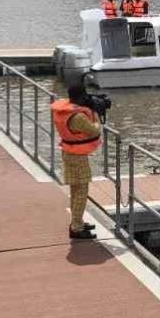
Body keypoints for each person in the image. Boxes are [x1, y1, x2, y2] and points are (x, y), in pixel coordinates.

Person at [50, 84, 101, 239]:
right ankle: (76, 228)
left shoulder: (64, 112)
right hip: (77, 156)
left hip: (69, 151)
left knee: (75, 191)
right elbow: (94, 130)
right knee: (81, 192)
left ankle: (77, 221)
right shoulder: (78, 117)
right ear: (81, 97)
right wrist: (96, 115)